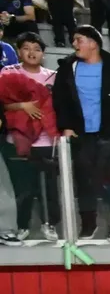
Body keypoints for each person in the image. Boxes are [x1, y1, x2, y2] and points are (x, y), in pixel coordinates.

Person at [52, 25, 110, 240]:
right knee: (85, 181)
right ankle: (88, 224)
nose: (74, 44)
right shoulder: (67, 70)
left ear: (93, 43)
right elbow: (60, 101)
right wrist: (65, 126)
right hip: (83, 135)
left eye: (79, 40)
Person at [0, 31, 59, 242]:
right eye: (26, 48)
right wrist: (22, 106)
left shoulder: (53, 76)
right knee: (22, 186)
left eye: (37, 49)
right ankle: (21, 225)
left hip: (47, 141)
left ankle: (50, 224)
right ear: (18, 51)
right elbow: (3, 105)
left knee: (50, 187)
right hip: (17, 140)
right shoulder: (8, 72)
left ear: (43, 53)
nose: (31, 52)